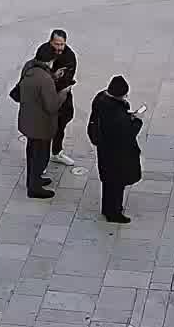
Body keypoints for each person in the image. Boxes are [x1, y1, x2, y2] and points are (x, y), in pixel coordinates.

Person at [87, 76, 143, 223]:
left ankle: (107, 208)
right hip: (117, 154)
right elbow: (128, 133)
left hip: (105, 149)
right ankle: (114, 213)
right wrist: (137, 121)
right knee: (117, 183)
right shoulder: (116, 114)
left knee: (108, 182)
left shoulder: (101, 99)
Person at [16, 50, 64, 198]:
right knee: (40, 157)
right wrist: (63, 94)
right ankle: (34, 189)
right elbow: (52, 106)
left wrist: (53, 77)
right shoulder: (44, 79)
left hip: (28, 121)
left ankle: (33, 181)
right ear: (49, 61)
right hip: (41, 126)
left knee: (31, 154)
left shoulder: (29, 68)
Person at [36, 30, 79, 166]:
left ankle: (56, 152)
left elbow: (66, 80)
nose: (59, 47)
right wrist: (53, 77)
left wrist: (53, 81)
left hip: (61, 97)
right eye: (57, 44)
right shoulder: (44, 52)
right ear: (50, 41)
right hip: (45, 98)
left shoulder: (69, 56)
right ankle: (40, 162)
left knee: (60, 126)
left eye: (62, 44)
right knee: (44, 130)